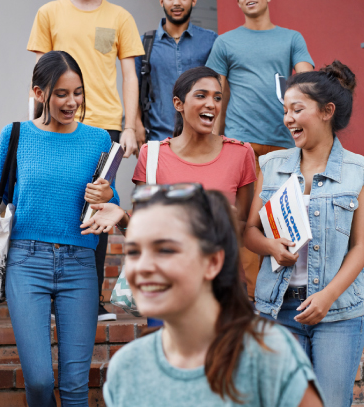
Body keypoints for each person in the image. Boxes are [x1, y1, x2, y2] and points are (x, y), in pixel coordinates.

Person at [102, 183, 344, 407]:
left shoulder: (270, 356)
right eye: (134, 251)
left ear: (213, 262)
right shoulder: (127, 369)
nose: (143, 267)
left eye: (165, 250)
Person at [0, 51, 119, 407]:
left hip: (79, 265)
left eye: (78, 94)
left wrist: (108, 198)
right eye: (61, 94)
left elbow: (110, 201)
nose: (71, 102)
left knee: (74, 380)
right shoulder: (15, 136)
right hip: (26, 262)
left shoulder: (99, 140)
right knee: (39, 378)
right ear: (38, 92)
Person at [243, 61, 364, 407]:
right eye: (285, 110)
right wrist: (272, 249)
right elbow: (249, 232)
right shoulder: (272, 165)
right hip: (277, 308)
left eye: (297, 109)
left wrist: (328, 297)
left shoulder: (361, 171)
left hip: (337, 313)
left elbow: (360, 249)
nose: (288, 119)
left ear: (326, 111)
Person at [27, 0, 144, 321]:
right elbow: (41, 75)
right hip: (57, 125)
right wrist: (35, 122)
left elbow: (130, 75)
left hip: (104, 127)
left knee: (98, 205)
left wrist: (131, 125)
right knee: (58, 203)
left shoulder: (119, 17)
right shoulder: (50, 13)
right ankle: (50, 295)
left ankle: (87, 300)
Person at [83, 66, 256, 327]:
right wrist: (121, 216)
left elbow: (244, 228)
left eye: (217, 97)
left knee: (224, 367)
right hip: (166, 288)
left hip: (223, 287)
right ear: (178, 103)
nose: (211, 104)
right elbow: (143, 233)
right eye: (201, 95)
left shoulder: (241, 155)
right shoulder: (152, 156)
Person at [206, 0, 314, 297]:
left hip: (286, 145)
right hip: (242, 145)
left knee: (288, 219)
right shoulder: (225, 42)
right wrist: (214, 141)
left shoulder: (291, 38)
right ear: (238, 1)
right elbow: (214, 92)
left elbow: (307, 79)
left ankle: (289, 292)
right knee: (246, 223)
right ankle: (251, 298)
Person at [135, 0, 217, 142]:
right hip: (158, 138)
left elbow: (221, 90)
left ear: (193, 0)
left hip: (201, 139)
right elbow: (134, 88)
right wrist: (136, 125)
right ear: (161, 0)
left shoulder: (211, 41)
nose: (177, 2)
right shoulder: (144, 44)